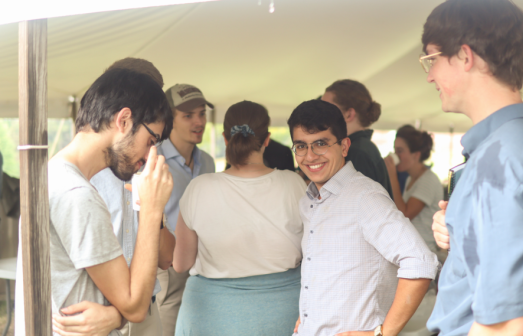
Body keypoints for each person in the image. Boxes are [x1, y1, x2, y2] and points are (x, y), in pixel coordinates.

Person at [422, 1, 523, 335]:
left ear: (465, 57)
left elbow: (504, 325)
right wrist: (462, 226)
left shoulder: (498, 164)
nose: (429, 76)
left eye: (432, 58)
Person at [15, 68, 174, 336]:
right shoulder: (78, 195)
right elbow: (135, 306)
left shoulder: (50, 173)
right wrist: (151, 209)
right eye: (150, 141)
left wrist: (114, 317)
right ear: (123, 120)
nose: (149, 156)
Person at [288, 99, 439, 336]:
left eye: (320, 144)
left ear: (345, 146)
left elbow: (420, 261)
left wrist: (382, 333)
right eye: (301, 146)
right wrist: (308, 313)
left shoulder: (365, 196)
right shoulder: (309, 200)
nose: (310, 156)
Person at [173, 101, 306, 335]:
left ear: (225, 138)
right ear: (267, 139)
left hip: (211, 316)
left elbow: (181, 264)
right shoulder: (294, 184)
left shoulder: (199, 188)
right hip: (281, 315)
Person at [155, 83, 216, 336]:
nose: (198, 121)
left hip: (203, 266)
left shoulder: (208, 162)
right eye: (188, 115)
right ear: (170, 119)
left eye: (201, 113)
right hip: (167, 267)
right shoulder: (153, 159)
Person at [321, 79, 393, 199]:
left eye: (327, 109)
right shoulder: (361, 147)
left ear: (349, 114)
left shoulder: (357, 152)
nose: (321, 114)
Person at [384, 126, 444, 257]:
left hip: (425, 252)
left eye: (400, 151)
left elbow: (404, 214)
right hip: (413, 250)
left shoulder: (428, 180)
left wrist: (392, 176)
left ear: (416, 155)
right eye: (395, 150)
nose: (396, 155)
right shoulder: (410, 179)